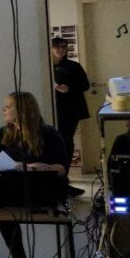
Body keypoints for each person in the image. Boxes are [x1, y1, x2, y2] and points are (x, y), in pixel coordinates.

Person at [0, 91, 69, 258]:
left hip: (42, 189)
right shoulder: (3, 133)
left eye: (8, 106)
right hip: (12, 188)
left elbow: (62, 168)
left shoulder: (49, 134)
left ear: (22, 110)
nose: (4, 110)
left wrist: (41, 167)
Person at [50, 37, 90, 168]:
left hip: (70, 109)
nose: (61, 50)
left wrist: (69, 88)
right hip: (51, 108)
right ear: (51, 48)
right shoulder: (46, 67)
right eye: (57, 47)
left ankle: (65, 169)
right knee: (52, 139)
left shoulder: (74, 66)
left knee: (66, 138)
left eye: (63, 47)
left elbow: (85, 85)